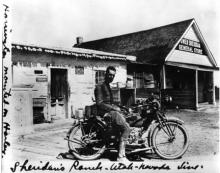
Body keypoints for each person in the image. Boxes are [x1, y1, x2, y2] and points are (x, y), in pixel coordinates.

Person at [94, 66, 131, 162]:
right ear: (106, 74)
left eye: (113, 75)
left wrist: (122, 107)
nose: (111, 77)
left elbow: (109, 102)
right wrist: (114, 108)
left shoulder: (107, 85)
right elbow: (100, 103)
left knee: (131, 118)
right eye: (110, 74)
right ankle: (121, 156)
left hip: (111, 111)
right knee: (126, 128)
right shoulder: (100, 86)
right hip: (106, 113)